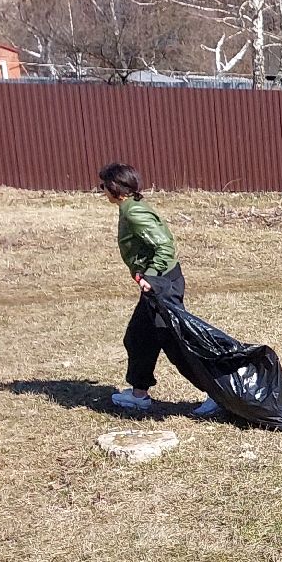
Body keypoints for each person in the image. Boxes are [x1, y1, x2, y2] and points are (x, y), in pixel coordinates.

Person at [101, 163, 217, 417]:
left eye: (103, 187)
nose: (102, 191)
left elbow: (165, 246)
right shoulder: (131, 207)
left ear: (114, 189)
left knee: (177, 343)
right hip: (158, 283)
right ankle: (139, 394)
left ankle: (217, 394)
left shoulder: (134, 213)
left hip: (163, 284)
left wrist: (151, 277)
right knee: (138, 337)